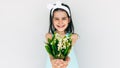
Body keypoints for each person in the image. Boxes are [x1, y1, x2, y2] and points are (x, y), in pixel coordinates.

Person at [45, 1, 79, 68]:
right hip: (53, 65)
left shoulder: (73, 37)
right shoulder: (49, 36)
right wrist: (54, 63)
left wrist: (64, 63)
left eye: (63, 18)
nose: (60, 22)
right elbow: (51, 56)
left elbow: (66, 54)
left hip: (69, 65)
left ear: (68, 20)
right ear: (52, 20)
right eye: (56, 19)